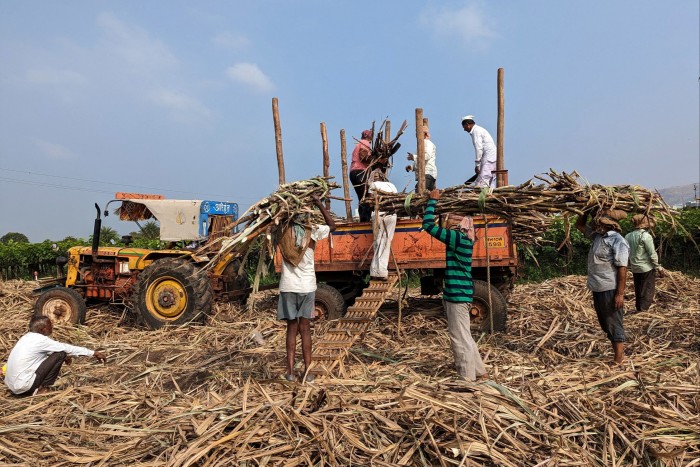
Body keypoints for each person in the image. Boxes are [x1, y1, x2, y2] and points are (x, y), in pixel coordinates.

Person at [422, 188, 486, 381]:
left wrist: (432, 202)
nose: (446, 221)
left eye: (450, 218)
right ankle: (480, 372)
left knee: (459, 338)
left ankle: (467, 379)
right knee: (465, 335)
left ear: (458, 224)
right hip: (460, 294)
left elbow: (427, 225)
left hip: (458, 296)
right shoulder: (465, 240)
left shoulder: (457, 238)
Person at [277, 194, 336, 383]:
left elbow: (273, 222)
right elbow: (333, 226)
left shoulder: (284, 231)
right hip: (307, 287)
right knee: (305, 329)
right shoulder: (313, 231)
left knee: (291, 329)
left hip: (288, 287)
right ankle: (308, 372)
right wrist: (319, 203)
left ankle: (290, 373)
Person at [575, 209, 630, 365]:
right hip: (597, 287)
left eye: (598, 221)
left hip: (610, 288)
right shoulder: (598, 237)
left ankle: (619, 359)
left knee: (613, 322)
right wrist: (585, 209)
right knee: (605, 323)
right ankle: (617, 355)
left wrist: (619, 294)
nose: (595, 224)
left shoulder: (618, 241)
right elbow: (579, 225)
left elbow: (622, 268)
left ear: (607, 224)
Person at [4, 315, 106, 396]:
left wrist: (67, 356)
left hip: (13, 387)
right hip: (24, 387)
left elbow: (45, 352)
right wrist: (93, 353)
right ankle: (43, 389)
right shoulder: (41, 340)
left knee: (61, 353)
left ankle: (37, 387)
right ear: (43, 329)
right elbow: (65, 348)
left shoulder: (26, 338)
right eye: (50, 326)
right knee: (60, 354)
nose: (52, 327)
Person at [625, 214, 665, 313]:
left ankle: (639, 308)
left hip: (634, 267)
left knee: (638, 288)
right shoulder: (646, 236)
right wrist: (658, 267)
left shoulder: (628, 236)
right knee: (647, 289)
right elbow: (652, 254)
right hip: (646, 267)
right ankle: (643, 310)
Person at [368, 169, 398, 280]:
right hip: (391, 215)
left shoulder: (373, 185)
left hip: (378, 214)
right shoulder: (391, 185)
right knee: (386, 242)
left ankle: (377, 271)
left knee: (378, 242)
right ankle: (379, 271)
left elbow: (371, 200)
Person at [461, 115, 497, 188]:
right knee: (490, 180)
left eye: (464, 127)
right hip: (491, 158)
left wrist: (477, 165)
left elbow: (479, 149)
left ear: (467, 125)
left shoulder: (476, 131)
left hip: (489, 158)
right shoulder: (479, 130)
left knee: (482, 182)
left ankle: (484, 198)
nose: (464, 130)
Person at [349, 129, 373, 222]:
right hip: (360, 172)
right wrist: (375, 159)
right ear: (367, 136)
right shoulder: (365, 143)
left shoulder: (358, 144)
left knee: (361, 197)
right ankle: (365, 219)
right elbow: (363, 156)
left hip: (353, 172)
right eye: (371, 135)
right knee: (366, 196)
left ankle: (363, 218)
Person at [406, 126, 437, 191]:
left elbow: (427, 156)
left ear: (425, 134)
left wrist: (414, 157)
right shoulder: (421, 144)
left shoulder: (427, 142)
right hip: (427, 175)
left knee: (419, 191)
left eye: (418, 133)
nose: (416, 135)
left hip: (427, 174)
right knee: (427, 195)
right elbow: (421, 162)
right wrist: (412, 167)